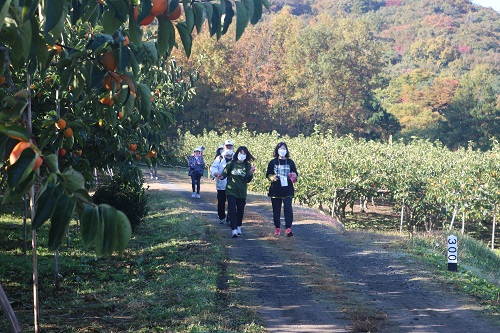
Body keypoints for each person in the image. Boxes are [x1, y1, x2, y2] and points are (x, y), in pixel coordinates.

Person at [217, 146, 256, 238]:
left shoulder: (247, 165)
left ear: (246, 156)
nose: (242, 155)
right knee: (232, 209)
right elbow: (224, 174)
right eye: (240, 153)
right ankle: (233, 229)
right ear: (237, 153)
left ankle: (239, 226)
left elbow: (247, 180)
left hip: (241, 191)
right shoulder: (231, 164)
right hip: (231, 190)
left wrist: (250, 173)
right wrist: (220, 176)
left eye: (244, 154)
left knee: (240, 210)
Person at [265, 142, 298, 237]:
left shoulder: (290, 162)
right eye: (280, 149)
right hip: (276, 189)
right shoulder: (273, 162)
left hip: (288, 188)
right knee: (276, 210)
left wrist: (294, 176)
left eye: (284, 149)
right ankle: (277, 228)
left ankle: (288, 228)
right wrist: (272, 178)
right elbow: (268, 174)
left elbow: (295, 174)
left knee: (288, 208)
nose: (282, 151)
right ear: (277, 150)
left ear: (287, 150)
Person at [211, 140, 235, 225]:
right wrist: (216, 173)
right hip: (221, 184)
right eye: (227, 146)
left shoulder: (236, 158)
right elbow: (213, 167)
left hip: (233, 185)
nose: (228, 148)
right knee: (221, 202)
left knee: (232, 203)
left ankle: (230, 218)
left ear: (233, 147)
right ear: (224, 147)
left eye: (230, 146)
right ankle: (221, 217)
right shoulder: (220, 158)